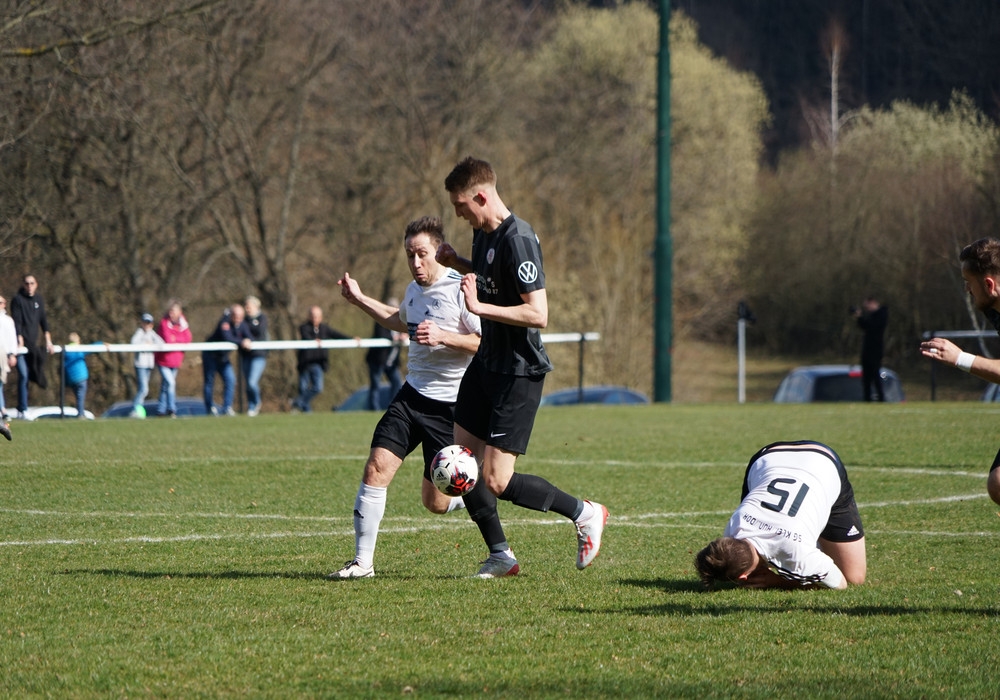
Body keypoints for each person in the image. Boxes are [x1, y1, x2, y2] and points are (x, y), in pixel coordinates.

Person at [438, 156, 608, 572]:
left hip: (518, 371)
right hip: (486, 363)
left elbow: (538, 313)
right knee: (461, 460)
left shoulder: (520, 238)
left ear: (481, 196)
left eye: (461, 205)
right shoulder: (483, 233)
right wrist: (458, 263)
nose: (458, 214)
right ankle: (501, 555)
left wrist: (478, 307)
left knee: (497, 480)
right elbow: (494, 278)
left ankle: (585, 513)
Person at [330, 215, 514, 579]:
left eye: (422, 254)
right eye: (409, 255)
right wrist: (359, 299)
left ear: (439, 252)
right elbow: (398, 319)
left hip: (451, 408)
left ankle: (500, 549)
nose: (415, 262)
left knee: (435, 502)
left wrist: (444, 336)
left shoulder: (461, 288)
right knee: (376, 467)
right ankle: (363, 564)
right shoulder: (413, 291)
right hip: (410, 397)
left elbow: (485, 343)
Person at [694, 440, 867, 590]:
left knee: (854, 577)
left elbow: (841, 583)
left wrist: (779, 581)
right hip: (769, 457)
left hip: (823, 464)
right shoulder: (734, 527)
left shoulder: (799, 555)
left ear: (743, 577)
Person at [920, 236, 1000, 505]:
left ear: (988, 285)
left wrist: (960, 358)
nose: (967, 289)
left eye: (969, 282)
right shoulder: (993, 308)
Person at [10, 274, 54, 419]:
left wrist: (48, 341)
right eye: (27, 283)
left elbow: (43, 321)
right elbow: (17, 321)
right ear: (23, 285)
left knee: (31, 374)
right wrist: (19, 339)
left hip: (33, 346)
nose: (29, 286)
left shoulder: (39, 300)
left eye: (32, 283)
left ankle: (24, 407)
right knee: (23, 375)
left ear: (36, 284)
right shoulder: (17, 300)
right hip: (21, 347)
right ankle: (22, 409)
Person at [291, 305, 349, 413]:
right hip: (305, 363)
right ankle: (307, 412)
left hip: (318, 363)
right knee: (303, 389)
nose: (315, 318)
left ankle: (297, 402)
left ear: (321, 317)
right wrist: (314, 340)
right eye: (313, 316)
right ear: (309, 316)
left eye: (317, 316)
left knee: (317, 388)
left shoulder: (324, 328)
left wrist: (351, 339)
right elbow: (306, 336)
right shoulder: (304, 327)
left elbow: (337, 335)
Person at [202, 304, 248, 417]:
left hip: (223, 358)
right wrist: (242, 342)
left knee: (231, 380)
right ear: (232, 315)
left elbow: (249, 335)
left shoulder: (242, 324)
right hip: (210, 355)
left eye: (240, 317)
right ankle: (209, 408)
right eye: (236, 316)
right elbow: (227, 337)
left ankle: (227, 408)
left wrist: (248, 340)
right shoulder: (225, 322)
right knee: (209, 382)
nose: (238, 319)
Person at [154, 300, 192, 418]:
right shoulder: (164, 323)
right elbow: (168, 340)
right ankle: (171, 409)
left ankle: (161, 410)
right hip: (163, 361)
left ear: (179, 312)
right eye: (170, 311)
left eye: (173, 311)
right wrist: (178, 339)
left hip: (175, 361)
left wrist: (176, 338)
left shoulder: (183, 323)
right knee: (171, 383)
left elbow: (188, 338)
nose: (171, 314)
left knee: (166, 385)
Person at [365, 303, 403, 410]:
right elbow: (381, 334)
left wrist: (405, 335)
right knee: (375, 385)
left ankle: (393, 407)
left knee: (397, 383)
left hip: (392, 362)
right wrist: (395, 338)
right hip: (377, 360)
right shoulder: (381, 320)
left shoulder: (402, 321)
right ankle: (374, 409)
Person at [852, 296, 888, 401]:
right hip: (867, 350)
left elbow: (871, 326)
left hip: (875, 351)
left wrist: (861, 317)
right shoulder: (872, 316)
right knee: (866, 377)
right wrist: (859, 317)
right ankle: (867, 398)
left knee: (875, 375)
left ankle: (880, 398)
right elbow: (865, 326)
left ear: (873, 303)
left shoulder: (881, 315)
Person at [130, 313, 163, 417]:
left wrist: (152, 343)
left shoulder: (152, 334)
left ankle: (138, 409)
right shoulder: (139, 332)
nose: (146, 325)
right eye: (145, 322)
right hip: (140, 364)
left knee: (144, 389)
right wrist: (144, 344)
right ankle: (135, 409)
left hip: (149, 365)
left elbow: (161, 343)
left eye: (149, 323)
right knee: (144, 389)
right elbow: (133, 343)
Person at [240, 295, 268, 416]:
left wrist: (249, 339)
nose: (247, 309)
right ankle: (251, 406)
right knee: (247, 383)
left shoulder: (262, 318)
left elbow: (259, 332)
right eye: (245, 306)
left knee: (252, 382)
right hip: (246, 355)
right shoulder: (243, 320)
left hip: (258, 355)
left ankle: (257, 402)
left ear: (256, 306)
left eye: (249, 306)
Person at [62, 332, 91, 418]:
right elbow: (92, 348)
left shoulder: (66, 351)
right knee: (80, 396)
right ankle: (81, 414)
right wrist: (101, 343)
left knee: (78, 396)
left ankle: (80, 412)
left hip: (72, 379)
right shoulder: (79, 349)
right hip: (81, 377)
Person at [0, 295, 18, 423]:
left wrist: (12, 354)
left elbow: (12, 338)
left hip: (3, 355)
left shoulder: (7, 320)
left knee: (1, 382)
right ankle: (3, 410)